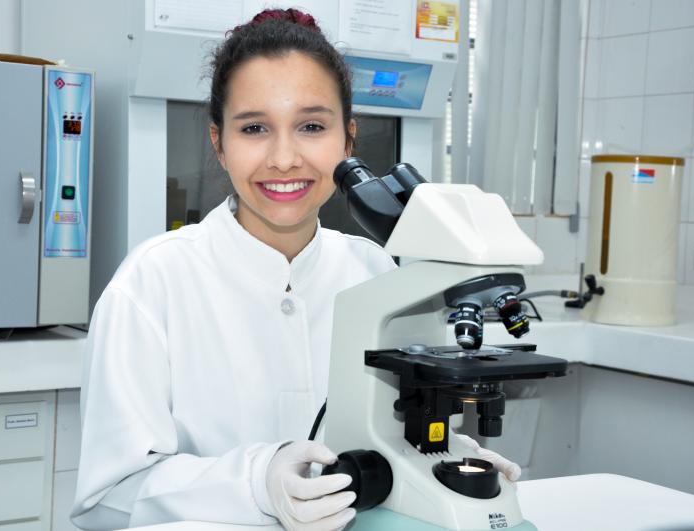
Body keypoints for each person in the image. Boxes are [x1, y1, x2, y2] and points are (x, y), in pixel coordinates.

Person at [71, 8, 520, 531]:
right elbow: (104, 500)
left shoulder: (374, 270)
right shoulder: (152, 283)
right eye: (255, 127)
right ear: (218, 143)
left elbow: (391, 428)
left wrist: (434, 460)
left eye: (311, 126)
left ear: (348, 140)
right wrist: (257, 482)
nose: (284, 158)